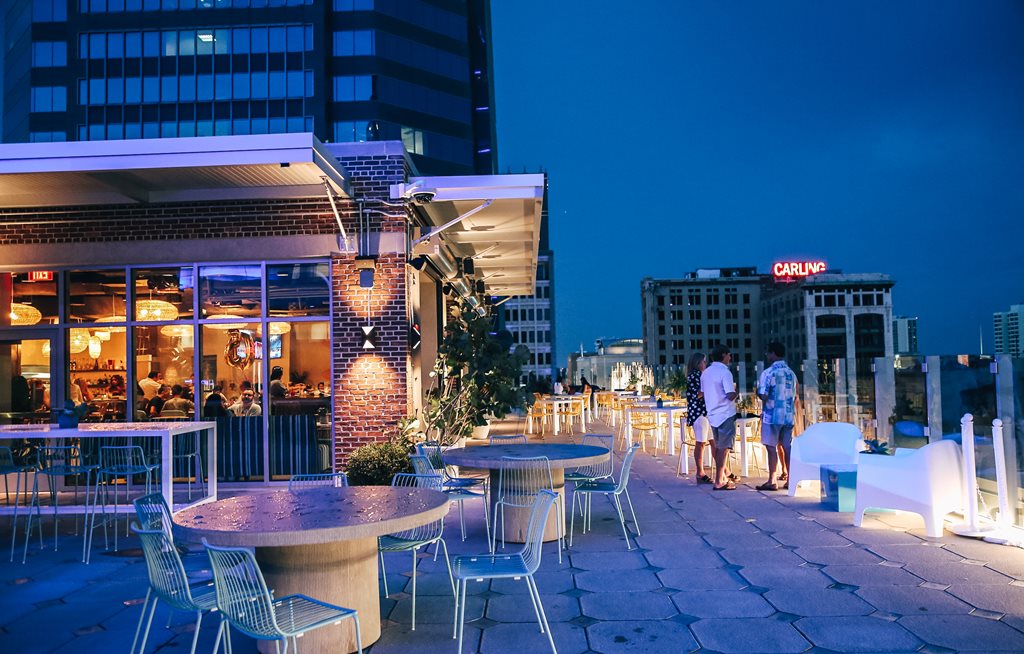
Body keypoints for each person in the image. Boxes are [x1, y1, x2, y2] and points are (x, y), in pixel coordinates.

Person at [756, 342, 798, 491]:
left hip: (772, 416)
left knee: (771, 447)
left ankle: (772, 480)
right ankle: (791, 479)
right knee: (787, 447)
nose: (767, 356)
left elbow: (764, 395)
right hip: (788, 417)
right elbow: (796, 395)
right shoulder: (791, 373)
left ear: (773, 353)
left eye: (768, 353)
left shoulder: (768, 373)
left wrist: (758, 393)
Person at [701, 344, 738, 491]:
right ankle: (719, 481)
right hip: (725, 414)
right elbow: (730, 395)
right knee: (724, 448)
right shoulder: (725, 372)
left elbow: (703, 393)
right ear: (724, 355)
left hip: (712, 415)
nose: (730, 358)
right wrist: (736, 392)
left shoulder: (706, 372)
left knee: (719, 447)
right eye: (729, 355)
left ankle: (721, 478)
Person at [686, 352, 713, 484]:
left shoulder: (703, 376)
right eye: (703, 361)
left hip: (706, 412)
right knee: (701, 442)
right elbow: (694, 395)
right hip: (698, 413)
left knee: (713, 442)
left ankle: (723, 470)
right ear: (698, 363)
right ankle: (700, 472)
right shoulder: (693, 377)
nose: (705, 364)